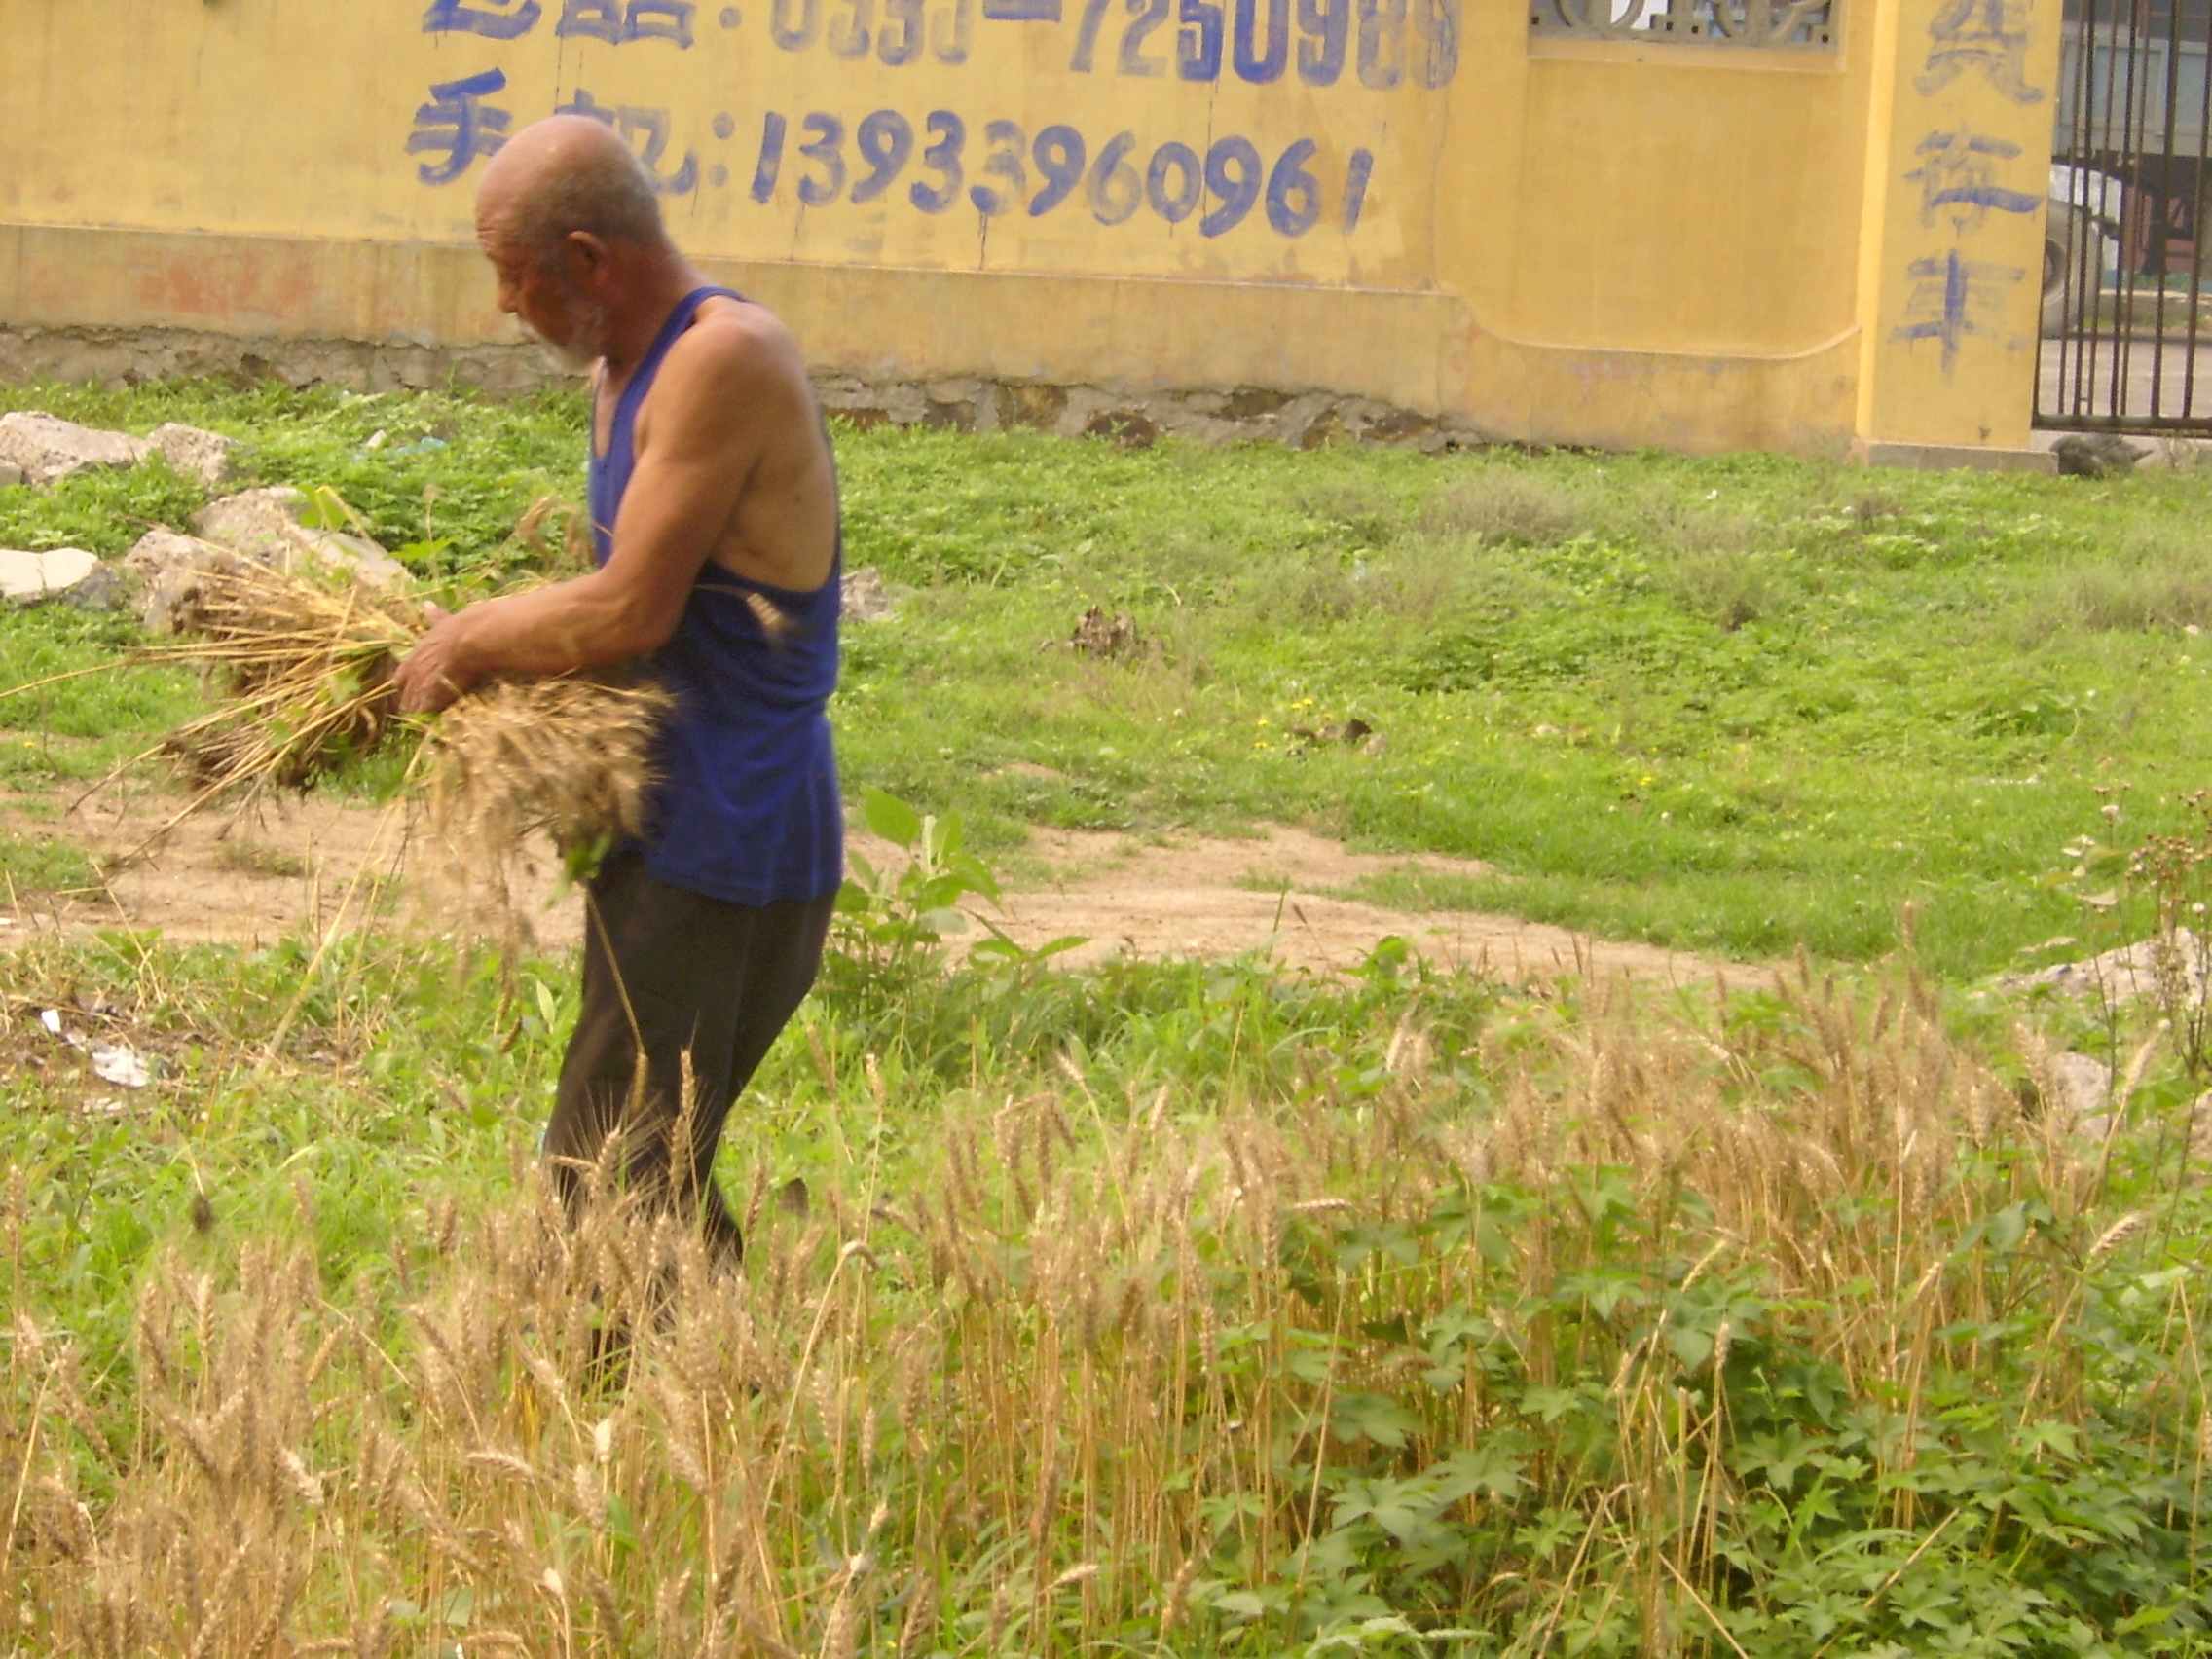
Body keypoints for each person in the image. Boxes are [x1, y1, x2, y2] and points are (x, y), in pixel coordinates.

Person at [392, 115, 842, 1265]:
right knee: (645, 1171)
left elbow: (630, 609)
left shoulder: (720, 358)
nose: (503, 304)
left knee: (614, 1173)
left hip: (731, 843)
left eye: (513, 273)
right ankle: (711, 1411)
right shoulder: (621, 368)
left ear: (589, 260)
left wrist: (468, 640)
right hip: (670, 821)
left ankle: (662, 1417)